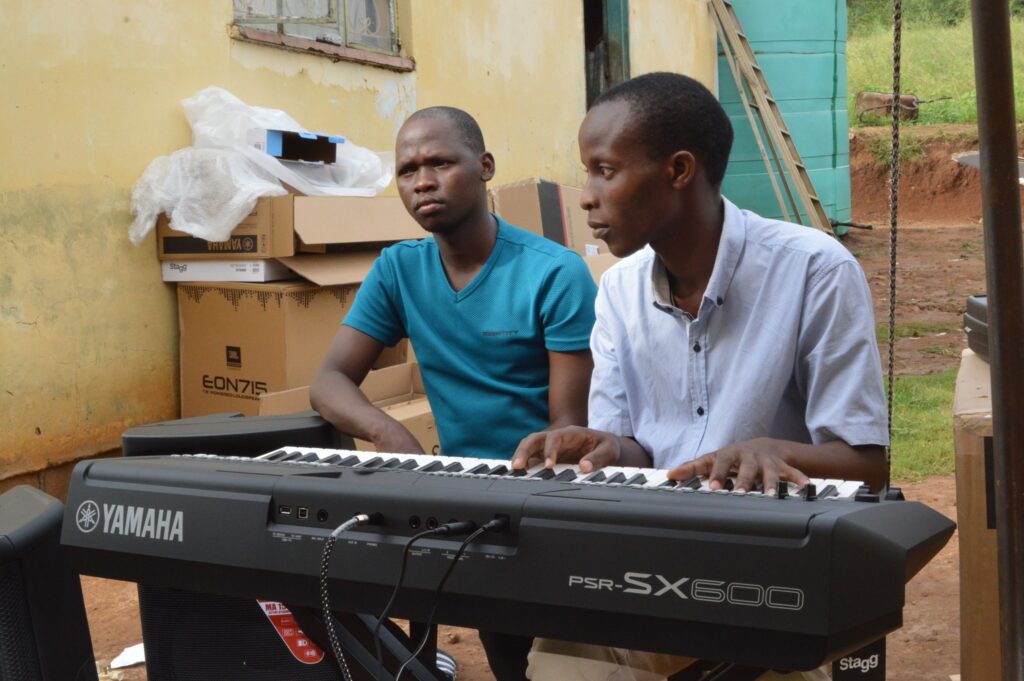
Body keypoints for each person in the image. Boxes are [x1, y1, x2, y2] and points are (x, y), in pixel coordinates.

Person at [511, 72, 889, 681]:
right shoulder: (616, 292)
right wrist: (605, 446)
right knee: (561, 657)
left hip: (781, 580)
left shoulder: (815, 270)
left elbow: (869, 468)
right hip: (653, 565)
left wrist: (769, 451)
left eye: (605, 170)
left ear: (679, 170)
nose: (586, 196)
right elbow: (637, 448)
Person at [310, 106, 598, 681]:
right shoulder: (399, 269)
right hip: (458, 501)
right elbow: (329, 381)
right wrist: (390, 433)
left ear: (484, 166)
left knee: (559, 660)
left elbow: (569, 428)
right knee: (506, 656)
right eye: (407, 170)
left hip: (545, 503)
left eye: (440, 162)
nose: (422, 182)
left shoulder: (554, 273)